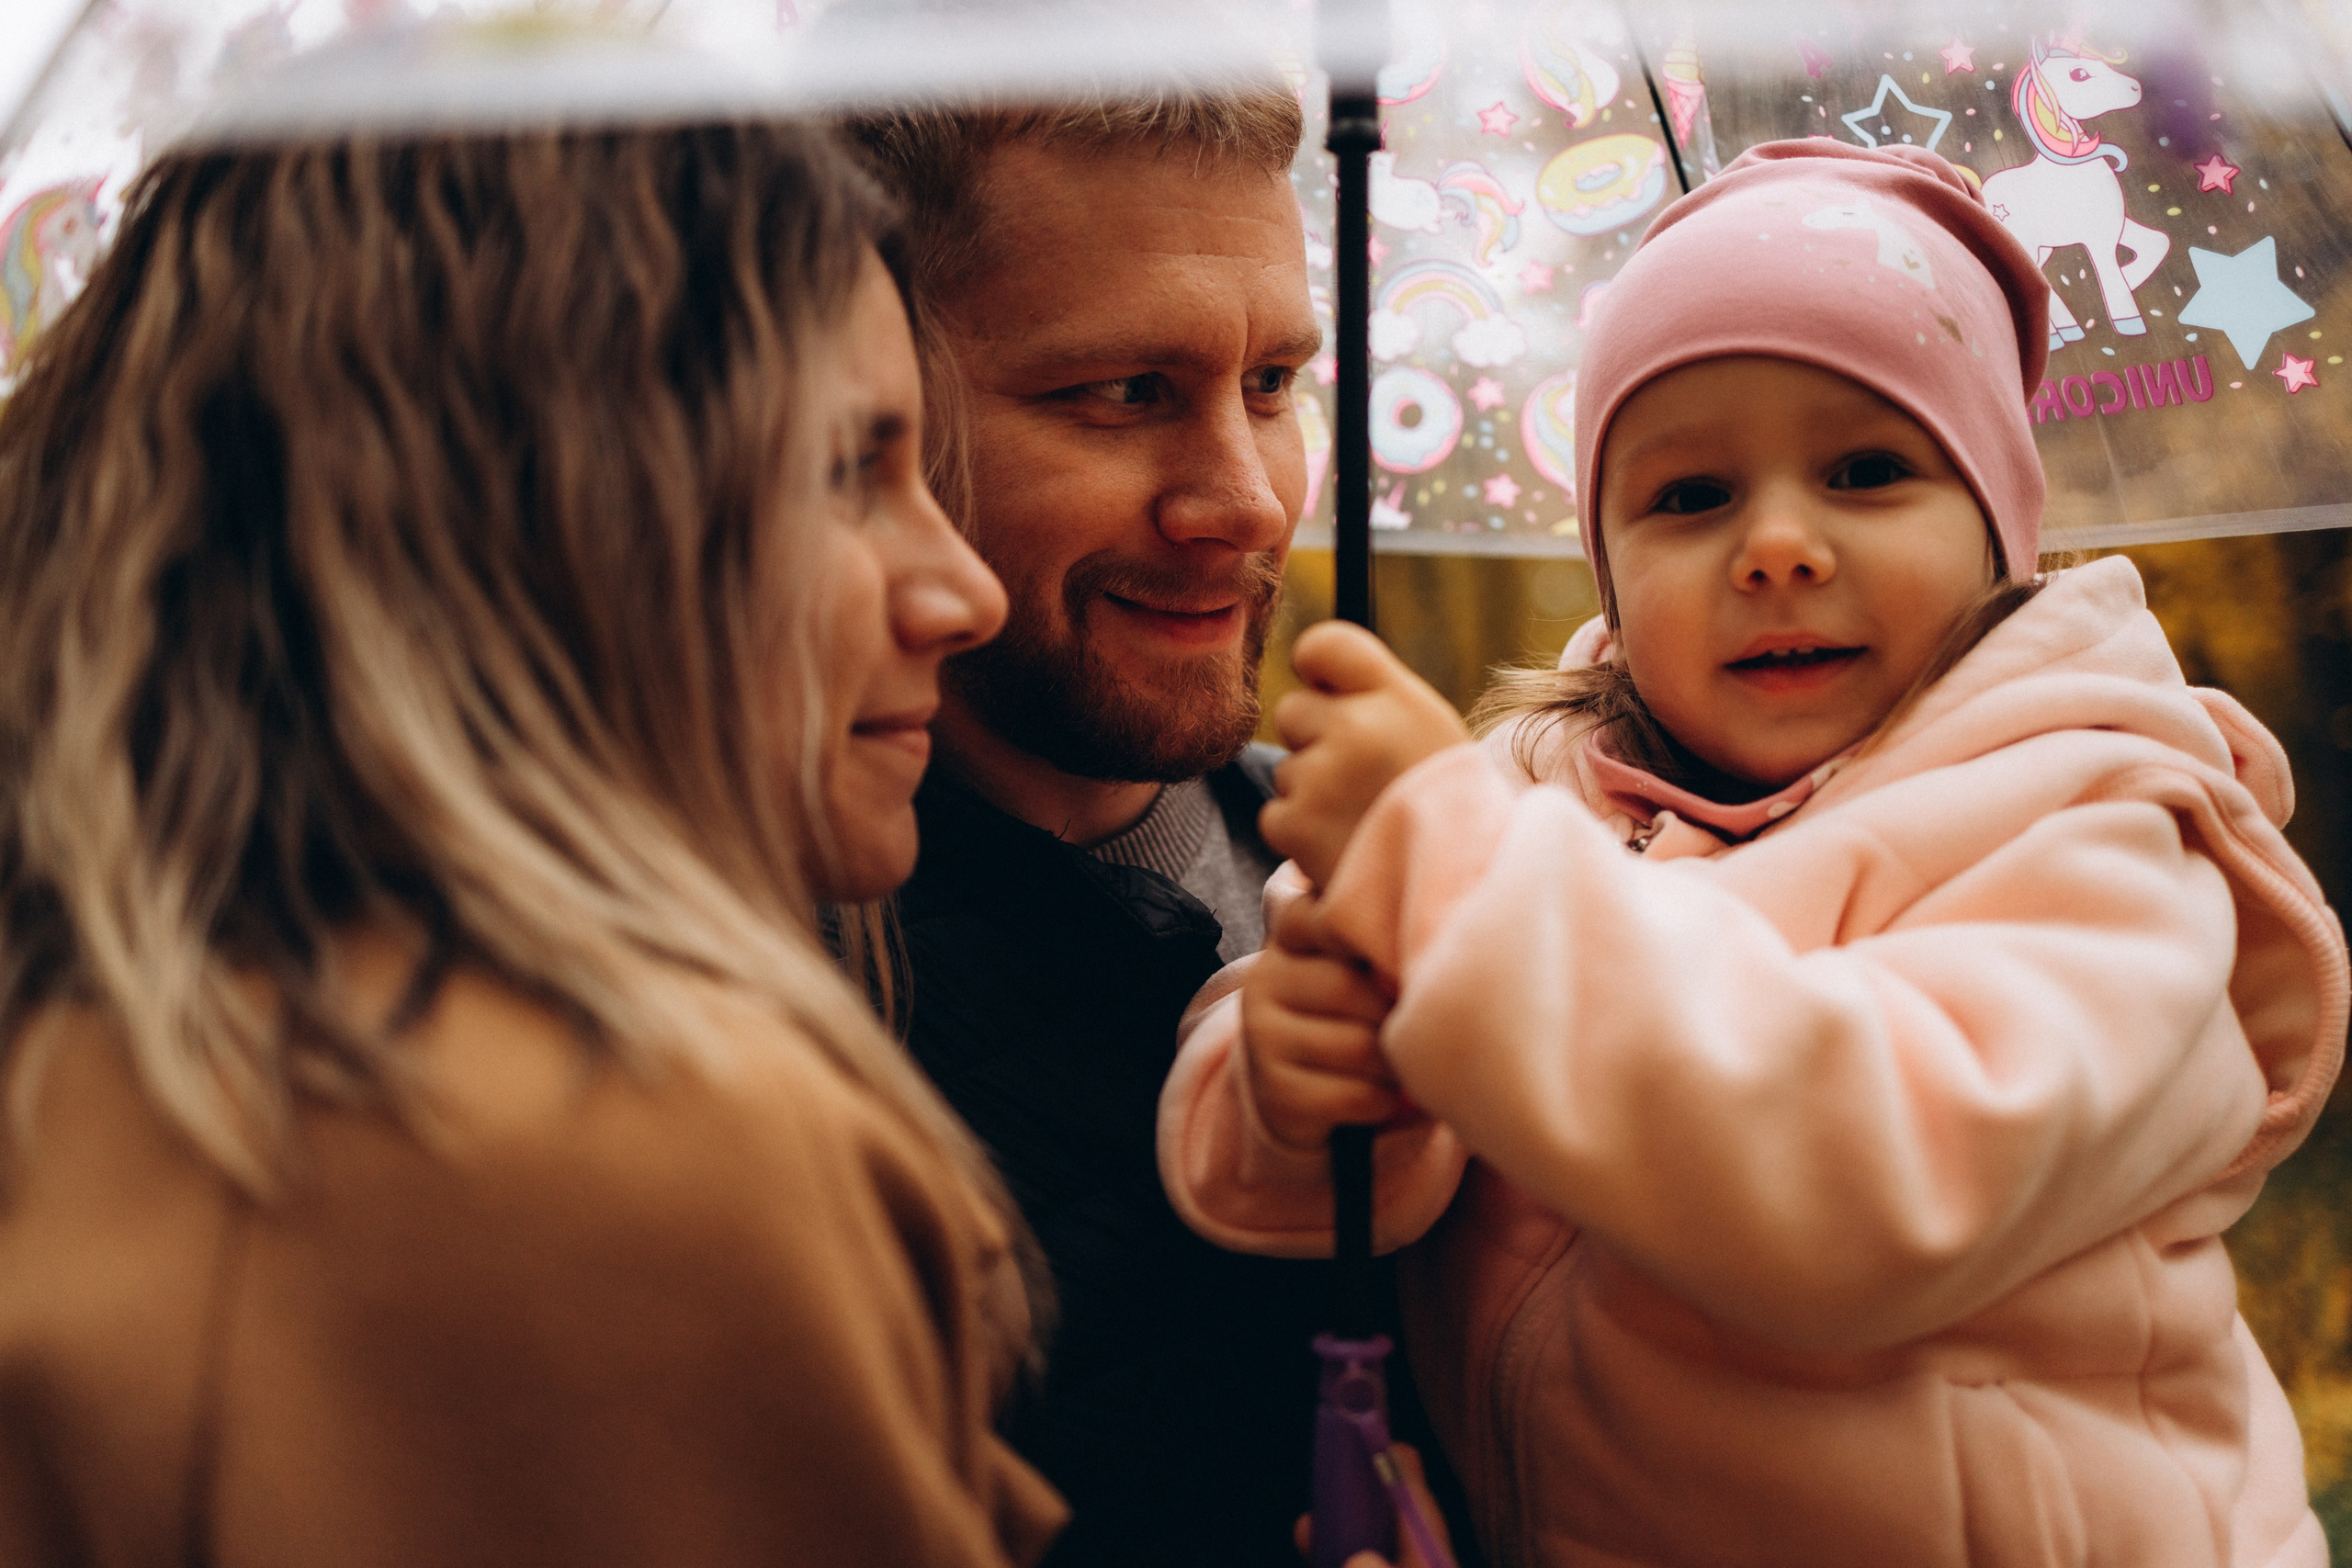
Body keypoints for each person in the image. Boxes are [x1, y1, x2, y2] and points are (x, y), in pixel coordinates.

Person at [1161, 141, 2350, 1566]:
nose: (1777, 546)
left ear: (1999, 530)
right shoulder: (1528, 794)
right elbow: (1295, 1055)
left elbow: (1870, 1190)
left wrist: (1458, 878)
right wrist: (1296, 1085)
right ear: (1606, 559)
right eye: (1690, 498)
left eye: (1865, 470)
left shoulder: (2100, 840)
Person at [0, 120, 1065, 1566]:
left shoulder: (98, 1051)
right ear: (522, 523)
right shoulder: (620, 1146)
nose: (961, 590)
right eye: (843, 471)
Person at [845, 84, 1463, 1567]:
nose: (1245, 504)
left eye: (1272, 384)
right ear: (873, 405)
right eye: (1123, 392)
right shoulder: (769, 976)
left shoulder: (1396, 879)